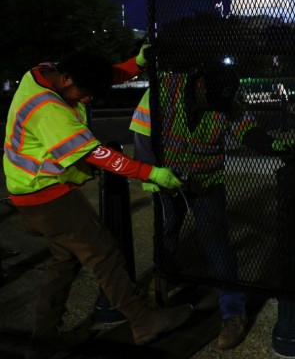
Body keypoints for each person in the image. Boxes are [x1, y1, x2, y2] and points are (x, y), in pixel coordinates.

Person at [2, 47, 194, 356]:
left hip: (30, 192)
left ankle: (42, 342)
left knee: (64, 262)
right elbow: (97, 154)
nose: (88, 99)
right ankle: (143, 321)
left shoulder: (44, 72)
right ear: (66, 78)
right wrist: (150, 172)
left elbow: (100, 75)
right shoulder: (48, 109)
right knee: (104, 255)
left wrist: (137, 64)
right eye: (85, 93)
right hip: (48, 196)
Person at [130, 64, 293, 350]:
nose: (218, 109)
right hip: (167, 178)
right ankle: (162, 285)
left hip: (207, 181)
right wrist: (154, 177)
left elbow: (246, 129)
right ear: (201, 84)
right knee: (166, 232)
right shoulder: (164, 89)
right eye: (214, 101)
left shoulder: (224, 100)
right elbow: (142, 135)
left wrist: (273, 146)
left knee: (217, 244)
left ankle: (233, 313)